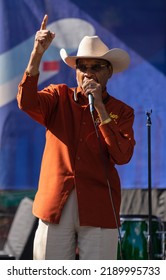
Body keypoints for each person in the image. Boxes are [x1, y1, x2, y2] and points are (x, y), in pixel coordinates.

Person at [17, 14, 135, 260]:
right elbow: (26, 102)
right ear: (76, 71)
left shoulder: (122, 111)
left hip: (99, 204)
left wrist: (102, 109)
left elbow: (122, 156)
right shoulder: (58, 96)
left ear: (109, 72)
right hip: (55, 202)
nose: (88, 73)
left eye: (96, 67)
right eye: (82, 67)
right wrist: (36, 54)